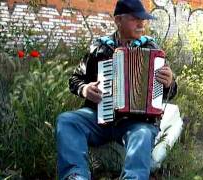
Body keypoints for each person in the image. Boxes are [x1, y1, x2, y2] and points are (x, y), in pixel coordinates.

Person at [56, 0, 178, 179]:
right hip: (99, 118)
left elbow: (169, 93)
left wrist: (169, 83)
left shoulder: (152, 50)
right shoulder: (100, 49)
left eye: (142, 19)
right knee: (67, 121)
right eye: (135, 19)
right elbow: (75, 79)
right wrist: (85, 89)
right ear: (118, 20)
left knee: (143, 133)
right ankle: (75, 175)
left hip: (137, 122)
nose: (141, 23)